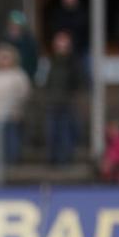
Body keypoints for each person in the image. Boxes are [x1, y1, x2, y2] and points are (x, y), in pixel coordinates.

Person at [0, 43, 32, 165]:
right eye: (1, 57)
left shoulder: (19, 75)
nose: (4, 60)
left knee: (13, 139)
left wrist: (16, 106)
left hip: (13, 114)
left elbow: (24, 92)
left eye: (6, 57)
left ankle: (13, 163)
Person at [44, 31, 84, 166]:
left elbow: (79, 82)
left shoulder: (73, 62)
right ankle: (52, 159)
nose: (61, 47)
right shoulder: (50, 62)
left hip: (67, 103)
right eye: (59, 43)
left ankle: (65, 160)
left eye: (64, 43)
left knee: (66, 133)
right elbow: (46, 82)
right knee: (51, 133)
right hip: (52, 102)